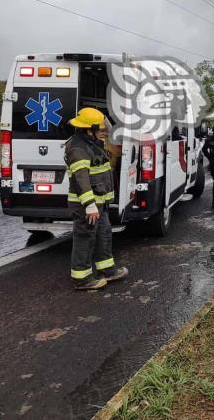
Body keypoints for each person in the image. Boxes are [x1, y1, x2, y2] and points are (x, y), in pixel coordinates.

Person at [65, 107, 128, 291]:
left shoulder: (91, 143)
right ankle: (82, 279)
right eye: (100, 128)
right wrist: (89, 205)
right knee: (85, 239)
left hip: (100, 202)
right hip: (88, 204)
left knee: (104, 235)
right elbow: (80, 177)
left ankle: (107, 270)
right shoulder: (78, 147)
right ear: (89, 128)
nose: (104, 130)